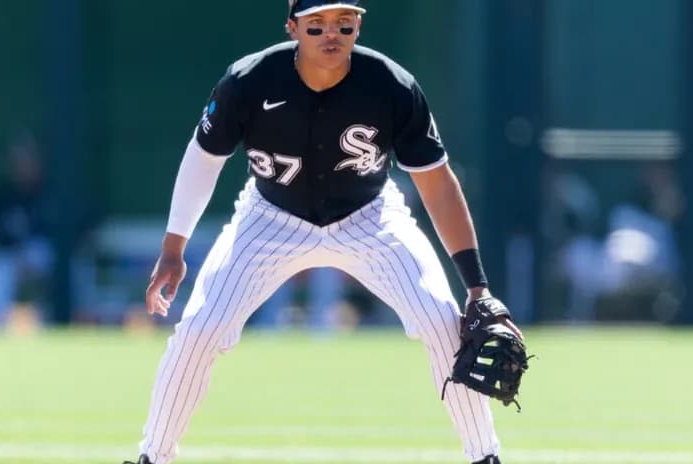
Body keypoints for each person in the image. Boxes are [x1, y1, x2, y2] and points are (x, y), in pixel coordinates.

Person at [126, 2, 523, 463]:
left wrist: (477, 286)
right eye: (316, 25)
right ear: (292, 28)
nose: (330, 34)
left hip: (370, 217)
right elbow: (203, 159)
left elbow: (436, 183)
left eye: (343, 24)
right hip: (271, 217)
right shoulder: (248, 81)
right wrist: (174, 247)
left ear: (359, 26)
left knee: (442, 321)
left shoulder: (391, 85)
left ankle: (484, 456)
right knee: (199, 330)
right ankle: (152, 457)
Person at [0, 132, 53, 329]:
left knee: (52, 261)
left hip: (45, 254)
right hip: (12, 256)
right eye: (18, 161)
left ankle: (52, 325)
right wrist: (18, 255)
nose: (24, 166)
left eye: (28, 159)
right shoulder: (2, 194)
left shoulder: (52, 190)